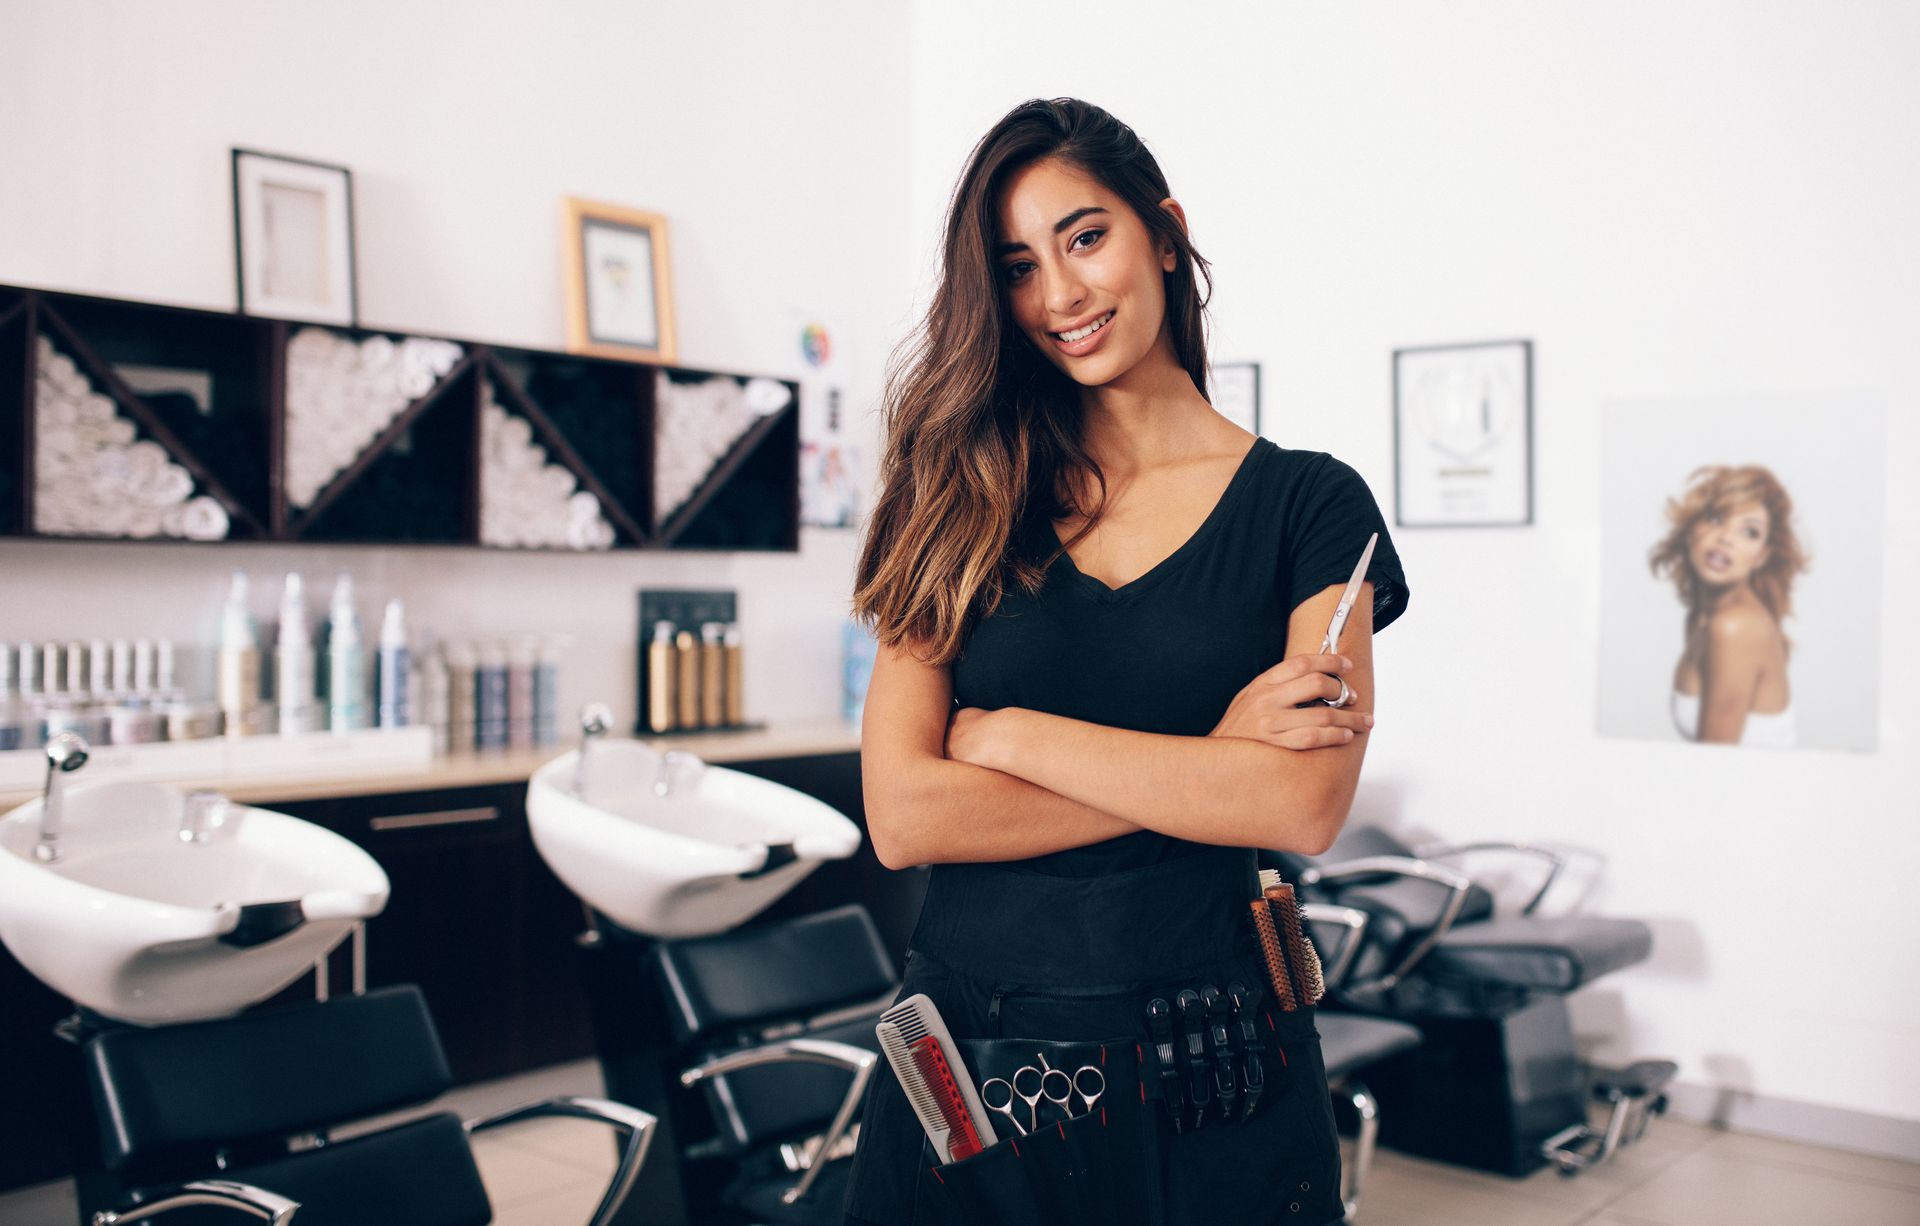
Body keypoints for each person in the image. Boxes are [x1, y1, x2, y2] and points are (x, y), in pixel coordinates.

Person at [844, 97, 1410, 1225]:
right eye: (1016, 264)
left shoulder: (1313, 505)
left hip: (1222, 1055)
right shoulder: (954, 495)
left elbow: (1300, 800)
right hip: (977, 1053)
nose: (1060, 295)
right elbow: (905, 813)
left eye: (1085, 235)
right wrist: (1209, 765)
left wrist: (1012, 738)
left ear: (1163, 230)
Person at [1648, 464, 1807, 749]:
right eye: (1715, 517)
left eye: (1749, 532)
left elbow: (1715, 767)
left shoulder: (1735, 627)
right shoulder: (1700, 617)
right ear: (1691, 528)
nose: (1725, 537)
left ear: (1761, 556)